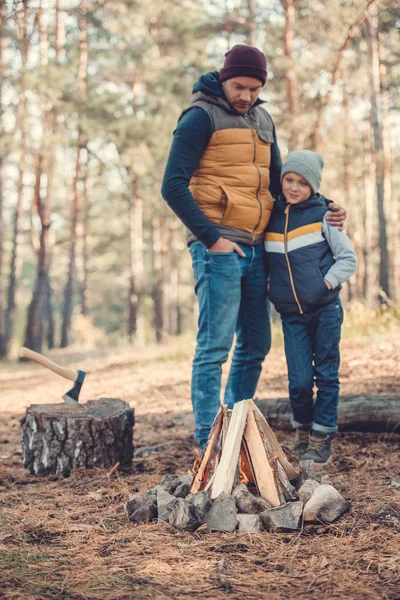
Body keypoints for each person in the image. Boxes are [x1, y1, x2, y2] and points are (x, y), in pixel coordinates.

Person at [161, 45, 345, 451]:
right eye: (239, 86)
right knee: (214, 346)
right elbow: (171, 185)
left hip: (258, 248)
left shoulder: (262, 118)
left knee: (256, 344)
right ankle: (209, 439)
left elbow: (282, 183)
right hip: (219, 248)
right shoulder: (199, 117)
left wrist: (325, 207)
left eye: (254, 87)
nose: (245, 95)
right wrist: (213, 239)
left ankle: (234, 427)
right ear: (223, 78)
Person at [265, 150, 357, 465]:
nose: (294, 187)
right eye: (289, 179)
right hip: (291, 315)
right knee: (300, 380)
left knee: (326, 374)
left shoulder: (324, 216)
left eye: (303, 183)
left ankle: (321, 437)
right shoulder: (271, 217)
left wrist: (325, 284)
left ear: (314, 187)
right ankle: (302, 430)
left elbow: (348, 259)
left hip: (325, 309)